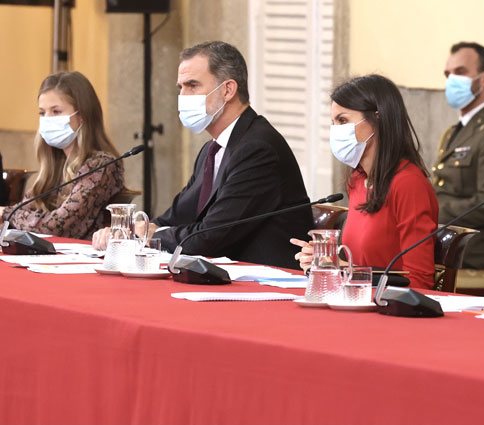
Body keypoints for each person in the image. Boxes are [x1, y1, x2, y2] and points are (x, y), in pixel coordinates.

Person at [92, 41, 312, 269]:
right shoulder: (212, 149)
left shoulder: (257, 149)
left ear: (228, 90)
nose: (183, 96)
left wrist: (150, 237)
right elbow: (177, 216)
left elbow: (210, 236)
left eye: (193, 85)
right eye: (181, 87)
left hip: (266, 283)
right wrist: (136, 229)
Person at [291, 74, 439, 289]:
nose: (336, 131)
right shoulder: (358, 179)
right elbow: (359, 261)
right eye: (333, 122)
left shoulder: (408, 183)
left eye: (343, 120)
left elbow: (419, 282)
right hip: (354, 303)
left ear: (377, 119)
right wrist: (326, 260)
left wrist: (343, 269)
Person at [0, 71, 124, 239]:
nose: (47, 119)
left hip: (87, 263)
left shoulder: (103, 165)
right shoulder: (56, 164)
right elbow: (23, 211)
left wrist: (7, 213)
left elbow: (56, 227)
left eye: (56, 111)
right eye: (42, 113)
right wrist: (12, 215)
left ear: (82, 116)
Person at [432, 42, 484, 277]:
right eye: (448, 74)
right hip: (440, 239)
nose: (451, 81)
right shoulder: (453, 131)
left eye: (460, 72)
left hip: (467, 249)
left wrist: (431, 213)